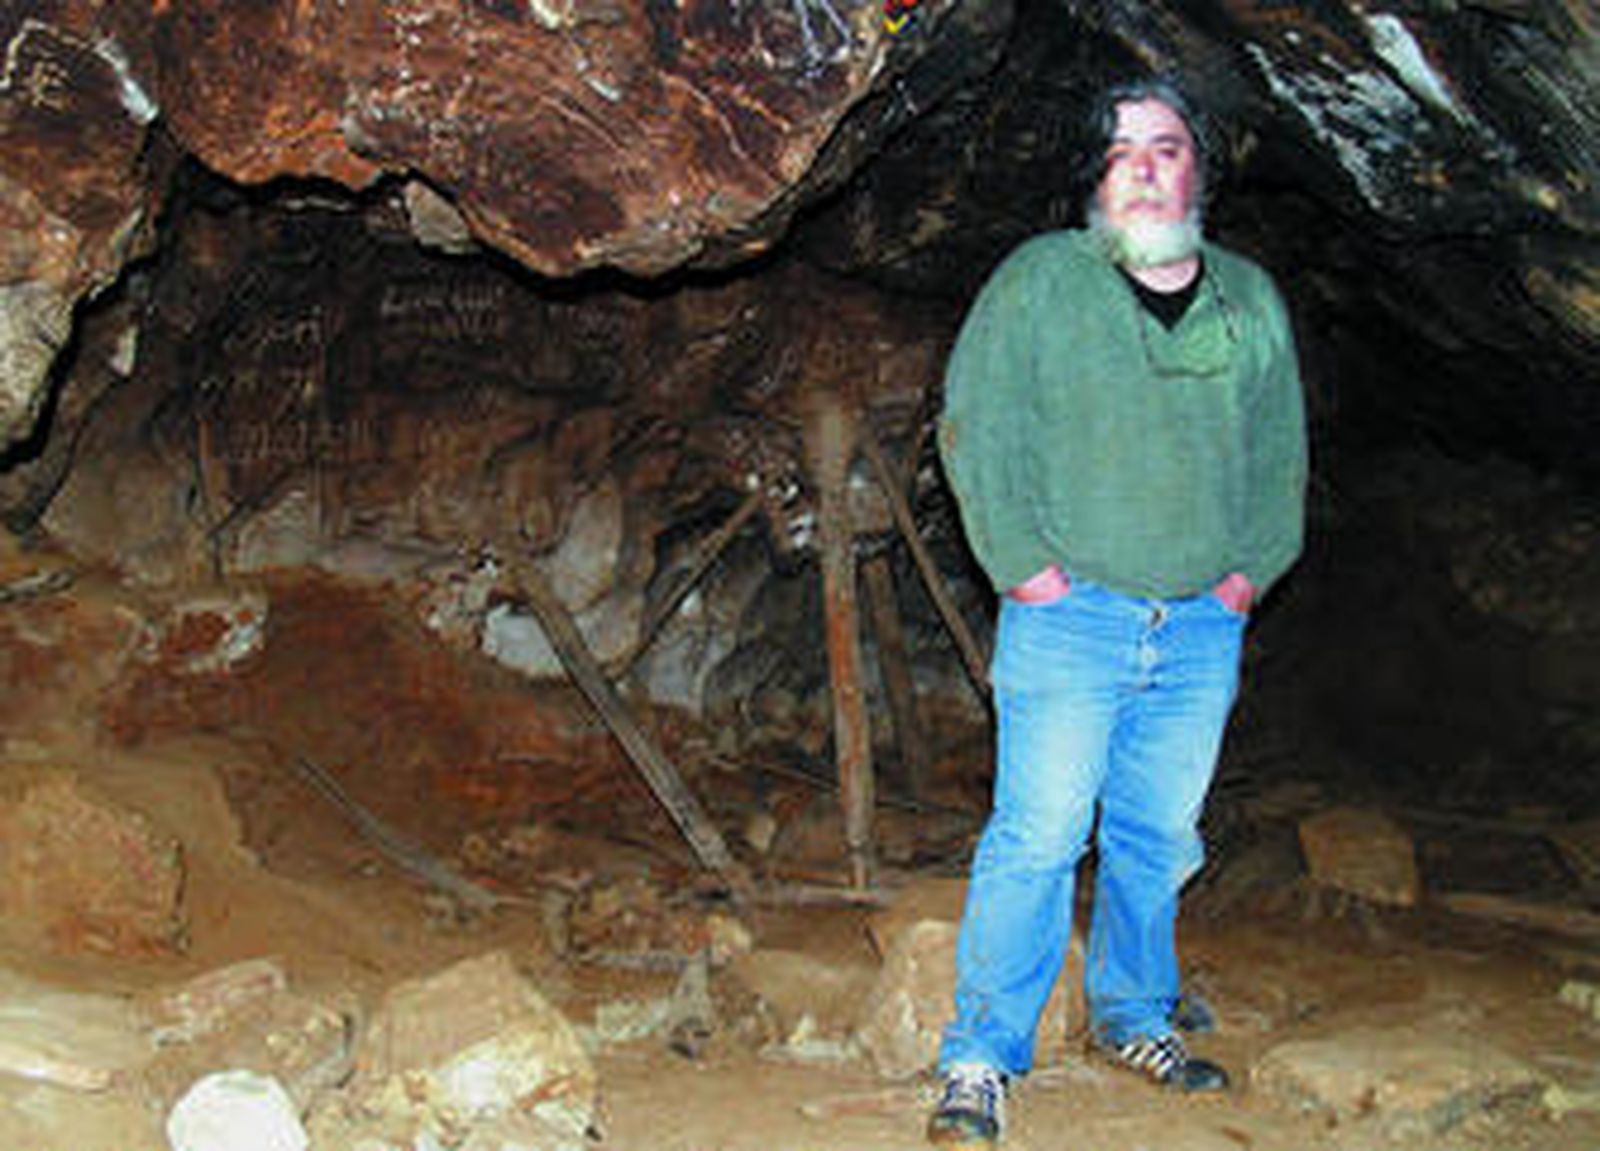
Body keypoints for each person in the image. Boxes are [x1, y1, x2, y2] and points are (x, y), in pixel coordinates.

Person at [927, 76, 1308, 1148]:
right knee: (1039, 833)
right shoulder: (1042, 279)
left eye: (1166, 146)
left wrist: (1247, 576)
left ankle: (1135, 1016)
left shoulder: (1248, 299)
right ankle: (980, 1053)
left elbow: (1279, 452)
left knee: (1157, 834)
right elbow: (977, 420)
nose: (1143, 165)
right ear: (1093, 175)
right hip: (1071, 616)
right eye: (1120, 148)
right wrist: (1022, 567)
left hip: (1198, 625)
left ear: (1199, 168)